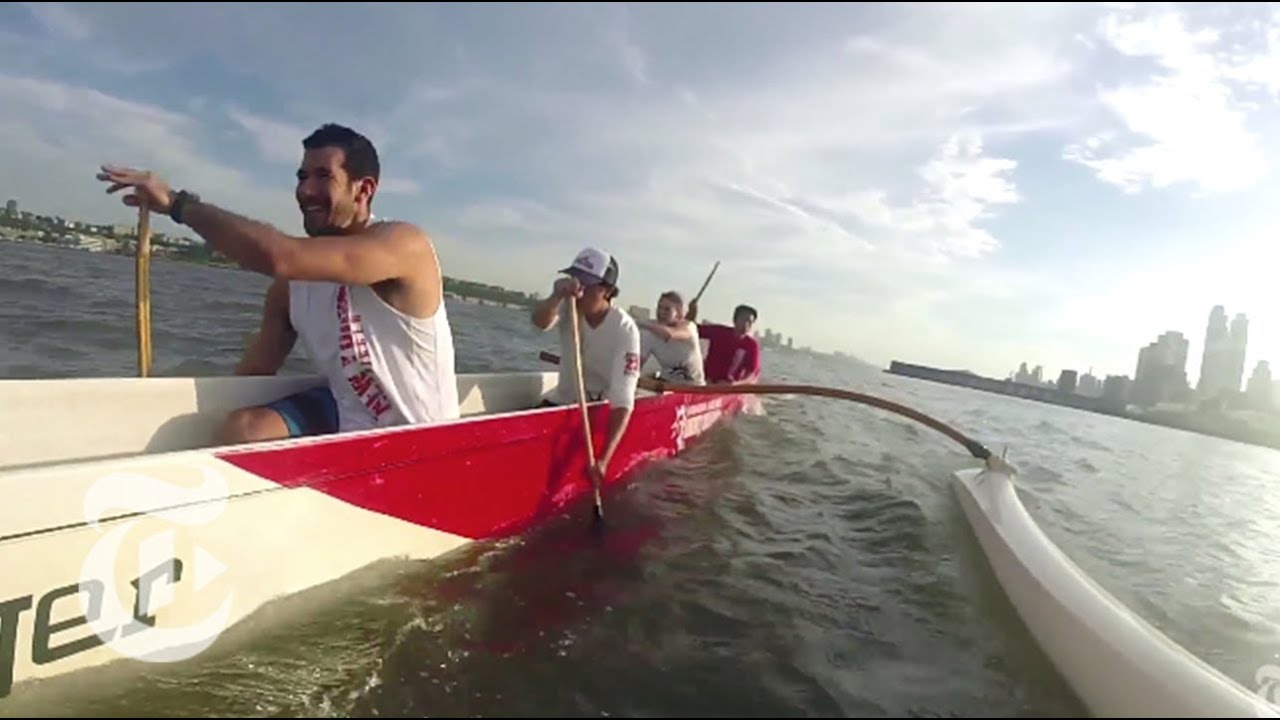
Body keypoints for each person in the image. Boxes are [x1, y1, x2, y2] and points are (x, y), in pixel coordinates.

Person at [96, 123, 460, 444]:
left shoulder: (402, 244)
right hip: (345, 416)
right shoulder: (291, 288)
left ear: (363, 190)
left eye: (323, 176)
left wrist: (178, 205)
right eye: (302, 177)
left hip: (423, 443)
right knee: (244, 430)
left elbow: (281, 256)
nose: (305, 190)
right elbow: (255, 371)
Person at [530, 247, 641, 488]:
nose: (577, 291)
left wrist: (603, 461)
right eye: (574, 281)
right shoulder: (568, 305)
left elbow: (623, 402)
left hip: (594, 411)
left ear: (607, 291)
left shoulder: (625, 329)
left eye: (586, 285)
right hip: (561, 403)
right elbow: (539, 323)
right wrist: (556, 296)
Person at [636, 290, 705, 385]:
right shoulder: (649, 334)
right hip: (667, 384)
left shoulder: (689, 327)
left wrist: (640, 324)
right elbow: (637, 365)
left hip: (693, 386)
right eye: (659, 307)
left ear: (679, 314)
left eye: (667, 309)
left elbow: (669, 335)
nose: (661, 312)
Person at [685, 300, 760, 384]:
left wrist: (737, 384)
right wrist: (691, 314)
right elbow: (693, 330)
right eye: (743, 320)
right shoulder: (719, 331)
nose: (746, 324)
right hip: (706, 381)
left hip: (728, 386)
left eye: (750, 322)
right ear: (735, 320)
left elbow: (751, 373)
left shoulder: (751, 345)